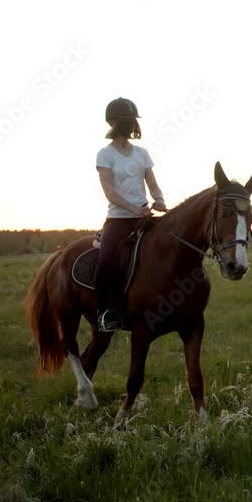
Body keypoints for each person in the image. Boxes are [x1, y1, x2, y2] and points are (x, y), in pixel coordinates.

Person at [94, 97, 167, 332]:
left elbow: (153, 184)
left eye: (133, 120)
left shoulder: (142, 153)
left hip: (144, 217)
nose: (132, 124)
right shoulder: (105, 154)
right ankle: (105, 312)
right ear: (114, 123)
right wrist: (135, 209)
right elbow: (110, 192)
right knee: (106, 260)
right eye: (128, 120)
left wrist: (159, 199)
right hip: (118, 219)